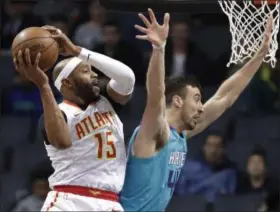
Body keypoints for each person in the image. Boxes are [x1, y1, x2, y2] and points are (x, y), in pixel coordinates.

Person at [120, 9, 272, 211]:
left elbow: (224, 97)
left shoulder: (180, 134)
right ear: (177, 101)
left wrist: (259, 56)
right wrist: (159, 48)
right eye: (197, 99)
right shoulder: (154, 132)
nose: (201, 107)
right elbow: (155, 95)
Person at [13, 25, 135, 211]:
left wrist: (78, 51)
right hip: (69, 201)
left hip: (110, 202)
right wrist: (43, 86)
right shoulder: (58, 113)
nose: (95, 74)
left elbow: (128, 78)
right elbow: (61, 142)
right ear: (67, 82)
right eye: (86, 71)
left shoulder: (107, 101)